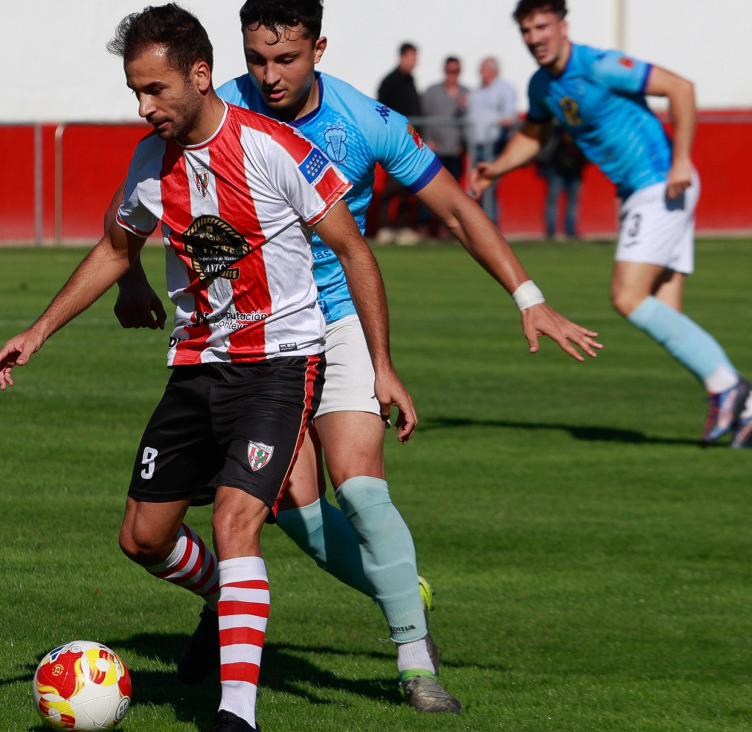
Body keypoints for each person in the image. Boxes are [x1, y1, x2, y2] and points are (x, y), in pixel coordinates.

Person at [112, 0, 603, 716]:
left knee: (362, 488)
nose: (269, 77)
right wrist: (128, 276)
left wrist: (527, 295)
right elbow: (135, 209)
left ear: (320, 47)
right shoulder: (210, 106)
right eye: (256, 60)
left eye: (286, 59)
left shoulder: (366, 122)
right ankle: (258, 603)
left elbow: (457, 210)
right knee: (291, 514)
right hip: (254, 340)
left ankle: (413, 657)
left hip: (337, 319)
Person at [0, 6, 416, 731]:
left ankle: (235, 713)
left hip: (279, 365)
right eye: (135, 93)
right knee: (143, 538)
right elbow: (117, 249)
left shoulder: (276, 148)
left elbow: (354, 250)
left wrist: (381, 365)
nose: (144, 107)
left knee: (234, 518)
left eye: (155, 90)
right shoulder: (151, 161)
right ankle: (236, 600)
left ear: (199, 74)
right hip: (195, 366)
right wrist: (39, 330)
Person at [471, 0, 752, 447]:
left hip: (661, 184)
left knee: (627, 296)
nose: (535, 37)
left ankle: (729, 390)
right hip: (641, 192)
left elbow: (681, 88)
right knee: (665, 314)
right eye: (527, 30)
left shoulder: (600, 64)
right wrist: (496, 167)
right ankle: (750, 408)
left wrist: (681, 161)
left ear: (563, 25)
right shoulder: (542, 85)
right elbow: (535, 133)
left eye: (542, 26)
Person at [372, 42, 422, 245]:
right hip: (393, 143)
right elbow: (381, 111)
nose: (414, 62)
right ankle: (385, 228)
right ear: (402, 57)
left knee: (406, 187)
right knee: (391, 187)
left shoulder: (411, 81)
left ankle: (402, 228)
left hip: (410, 143)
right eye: (411, 57)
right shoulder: (390, 82)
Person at [419, 57, 468, 237]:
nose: (452, 75)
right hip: (434, 150)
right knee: (428, 190)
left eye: (455, 71)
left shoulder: (466, 93)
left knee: (451, 192)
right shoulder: (432, 92)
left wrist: (463, 144)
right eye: (449, 71)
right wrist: (427, 140)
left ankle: (446, 229)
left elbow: (468, 123)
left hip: (454, 150)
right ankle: (423, 227)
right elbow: (423, 117)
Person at [466, 57, 518, 223]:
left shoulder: (504, 89)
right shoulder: (477, 92)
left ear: (492, 70)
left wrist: (505, 120)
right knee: (475, 186)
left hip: (493, 145)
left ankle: (491, 224)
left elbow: (509, 115)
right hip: (476, 145)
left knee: (489, 185)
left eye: (482, 69)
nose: (480, 73)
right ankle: (478, 224)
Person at [537, 121, 585, 239]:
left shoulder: (577, 127)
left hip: (575, 166)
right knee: (553, 200)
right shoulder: (555, 128)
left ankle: (570, 230)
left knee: (573, 200)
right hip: (556, 166)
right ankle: (550, 231)